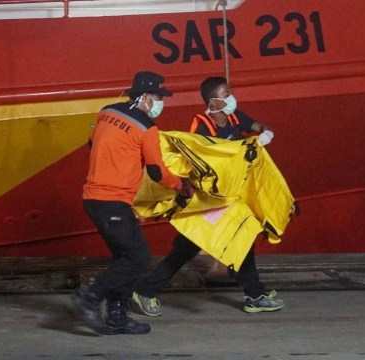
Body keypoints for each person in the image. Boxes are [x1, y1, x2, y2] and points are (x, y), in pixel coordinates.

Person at [130, 76, 283, 317]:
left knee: (205, 244)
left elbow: (259, 126)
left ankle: (254, 294)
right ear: (213, 100)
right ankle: (255, 295)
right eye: (226, 93)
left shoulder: (234, 117)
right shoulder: (200, 126)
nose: (231, 97)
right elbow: (197, 162)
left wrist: (265, 134)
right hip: (206, 201)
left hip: (226, 198)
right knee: (235, 236)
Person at [72, 71, 194, 335]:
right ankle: (90, 297)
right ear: (146, 96)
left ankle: (117, 317)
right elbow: (157, 172)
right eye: (159, 97)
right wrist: (181, 186)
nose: (162, 102)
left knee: (123, 258)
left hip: (97, 200)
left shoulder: (106, 112)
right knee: (138, 259)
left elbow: (92, 144)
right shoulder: (147, 127)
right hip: (110, 201)